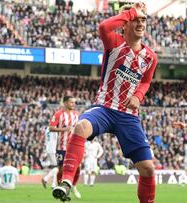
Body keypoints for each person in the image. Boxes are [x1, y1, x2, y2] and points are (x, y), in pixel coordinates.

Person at [52, 2, 158, 203]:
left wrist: (138, 96)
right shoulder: (114, 42)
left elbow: (145, 81)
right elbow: (103, 27)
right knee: (81, 126)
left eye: (143, 19)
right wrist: (131, 12)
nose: (140, 23)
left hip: (128, 116)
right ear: (125, 23)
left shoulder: (150, 57)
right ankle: (66, 182)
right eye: (135, 19)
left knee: (148, 168)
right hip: (104, 108)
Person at [49, 96, 81, 199]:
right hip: (62, 147)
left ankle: (73, 186)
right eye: (71, 102)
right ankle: (61, 189)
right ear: (65, 103)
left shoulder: (77, 115)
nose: (73, 104)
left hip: (75, 146)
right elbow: (51, 128)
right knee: (62, 169)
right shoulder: (59, 114)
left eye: (74, 102)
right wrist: (64, 129)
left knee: (78, 168)